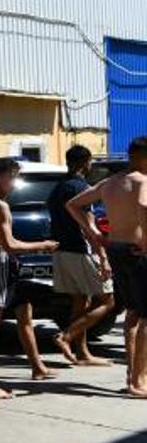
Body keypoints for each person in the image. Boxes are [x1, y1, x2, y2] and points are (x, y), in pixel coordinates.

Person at [64, 136, 147, 398]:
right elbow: (144, 206)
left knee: (133, 314)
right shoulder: (142, 181)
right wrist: (146, 241)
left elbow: (72, 204)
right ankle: (138, 381)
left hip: (116, 249)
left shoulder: (109, 182)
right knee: (144, 318)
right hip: (136, 252)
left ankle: (132, 377)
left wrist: (94, 234)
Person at [0, 158, 59, 398]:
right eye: (12, 176)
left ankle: (37, 366)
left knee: (24, 312)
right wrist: (43, 245)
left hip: (6, 265)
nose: (14, 182)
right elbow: (8, 245)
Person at [46, 145, 116, 367]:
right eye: (90, 161)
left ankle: (82, 352)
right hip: (79, 249)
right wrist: (103, 256)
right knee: (107, 300)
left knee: (81, 300)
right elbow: (89, 226)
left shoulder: (58, 188)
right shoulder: (81, 188)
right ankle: (66, 335)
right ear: (85, 163)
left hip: (62, 250)